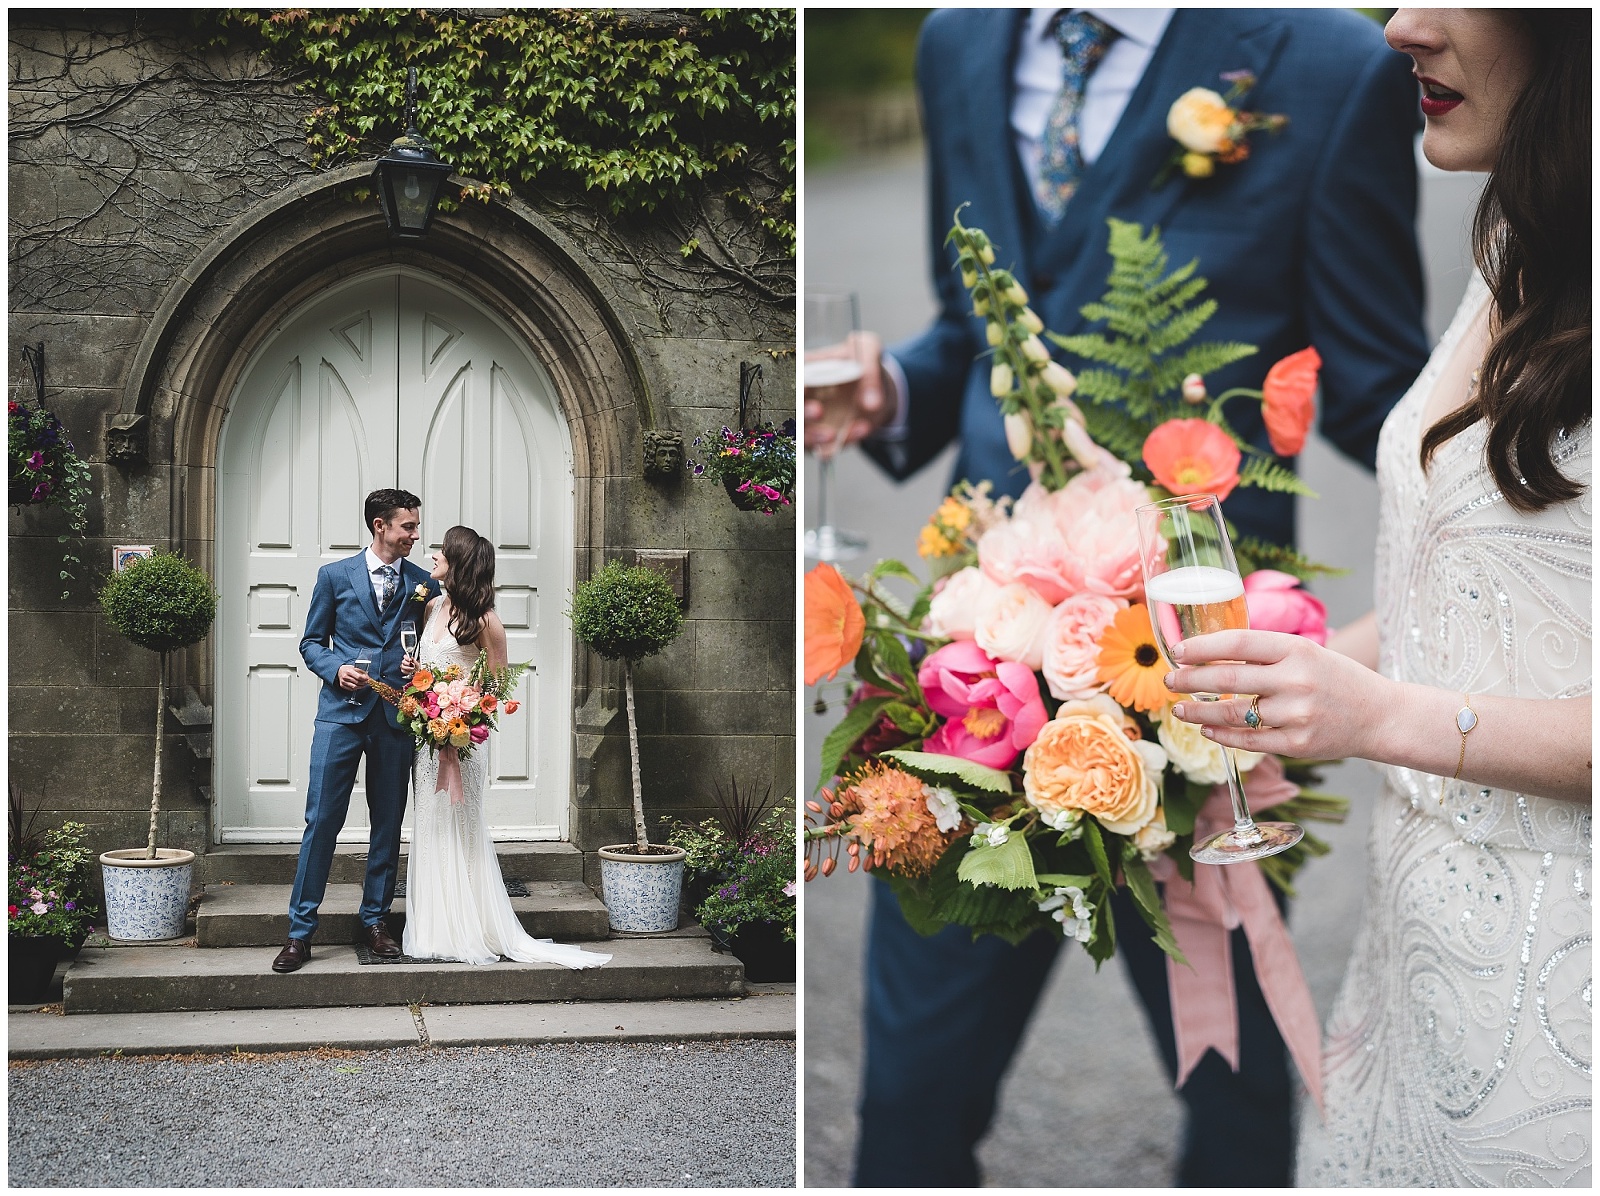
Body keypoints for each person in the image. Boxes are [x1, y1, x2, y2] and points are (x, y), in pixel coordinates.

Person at [805, 9, 1433, 1187]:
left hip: (1195, 698)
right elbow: (982, 326)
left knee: (1238, 1100)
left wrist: (1538, 447)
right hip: (970, 687)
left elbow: (1381, 390)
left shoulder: (1331, 64)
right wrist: (895, 387)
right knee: (905, 1110)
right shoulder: (955, 42)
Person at [1165, 9, 1590, 1186]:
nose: (1400, 24)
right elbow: (1477, 588)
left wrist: (1371, 718)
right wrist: (1265, 693)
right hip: (1416, 955)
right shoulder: (1521, 239)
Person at [402, 525, 610, 970]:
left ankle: (470, 926)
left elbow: (494, 688)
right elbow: (425, 669)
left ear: (459, 563)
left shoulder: (486, 621)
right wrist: (416, 678)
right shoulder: (432, 607)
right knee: (431, 825)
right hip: (427, 743)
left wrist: (459, 714)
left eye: (442, 549)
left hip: (461, 742)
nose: (433, 554)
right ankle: (435, 926)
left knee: (462, 826)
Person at [274, 489, 440, 973]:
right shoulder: (334, 576)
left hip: (394, 720)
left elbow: (429, 645)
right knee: (321, 821)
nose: (414, 535)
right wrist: (334, 668)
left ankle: (375, 922)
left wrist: (418, 670)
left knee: (387, 828)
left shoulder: (422, 583)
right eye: (407, 527)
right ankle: (300, 933)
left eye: (415, 526)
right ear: (379, 526)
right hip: (340, 715)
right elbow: (309, 643)